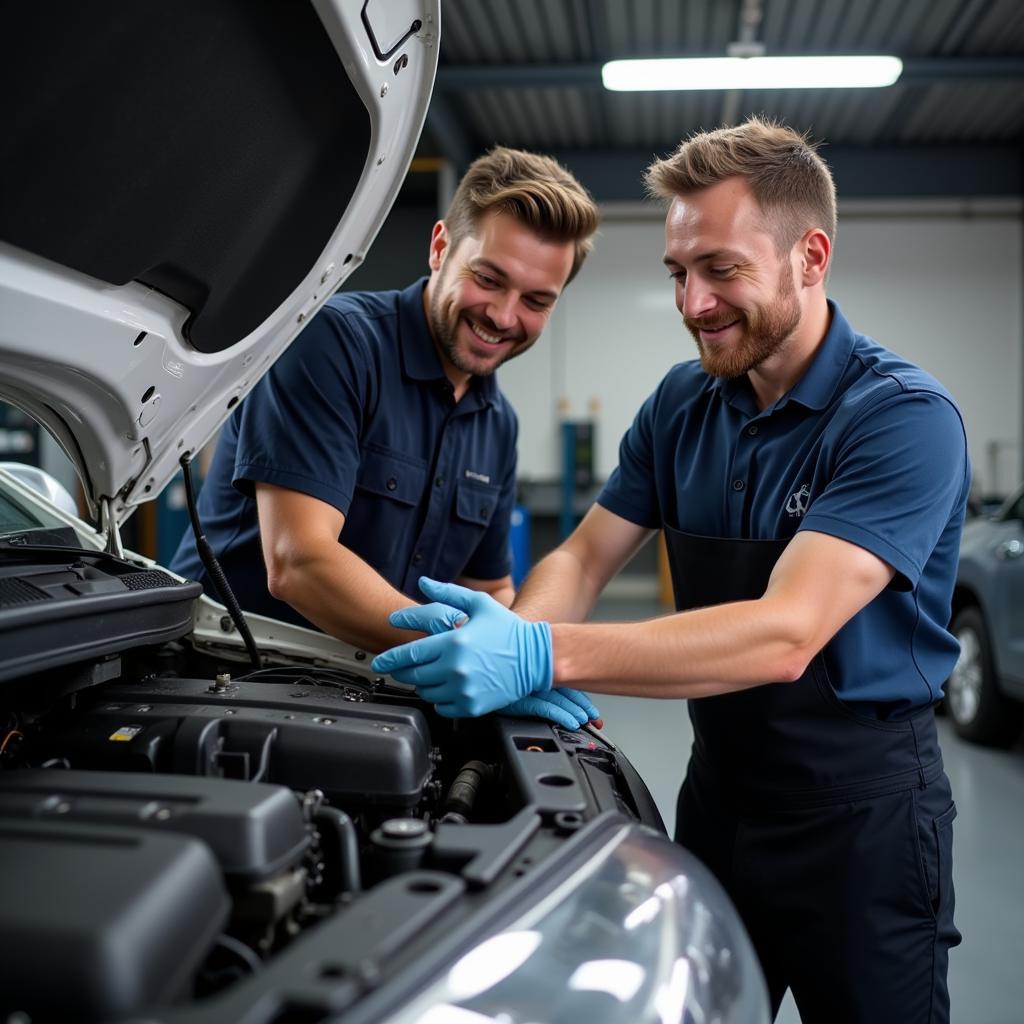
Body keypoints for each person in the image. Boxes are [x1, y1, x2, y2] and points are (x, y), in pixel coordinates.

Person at [373, 117, 967, 1023]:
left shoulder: (901, 421)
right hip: (720, 801)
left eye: (722, 270)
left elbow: (784, 634)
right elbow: (584, 552)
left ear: (810, 256)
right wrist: (518, 639)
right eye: (678, 274)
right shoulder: (684, 402)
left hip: (864, 824)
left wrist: (543, 655)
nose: (693, 303)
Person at [170, 148, 598, 669]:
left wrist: (520, 654)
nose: (504, 315)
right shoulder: (332, 344)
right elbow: (298, 561)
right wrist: (467, 650)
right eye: (488, 279)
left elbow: (487, 587)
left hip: (371, 682)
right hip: (227, 673)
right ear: (440, 248)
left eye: (536, 301)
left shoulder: (497, 422)